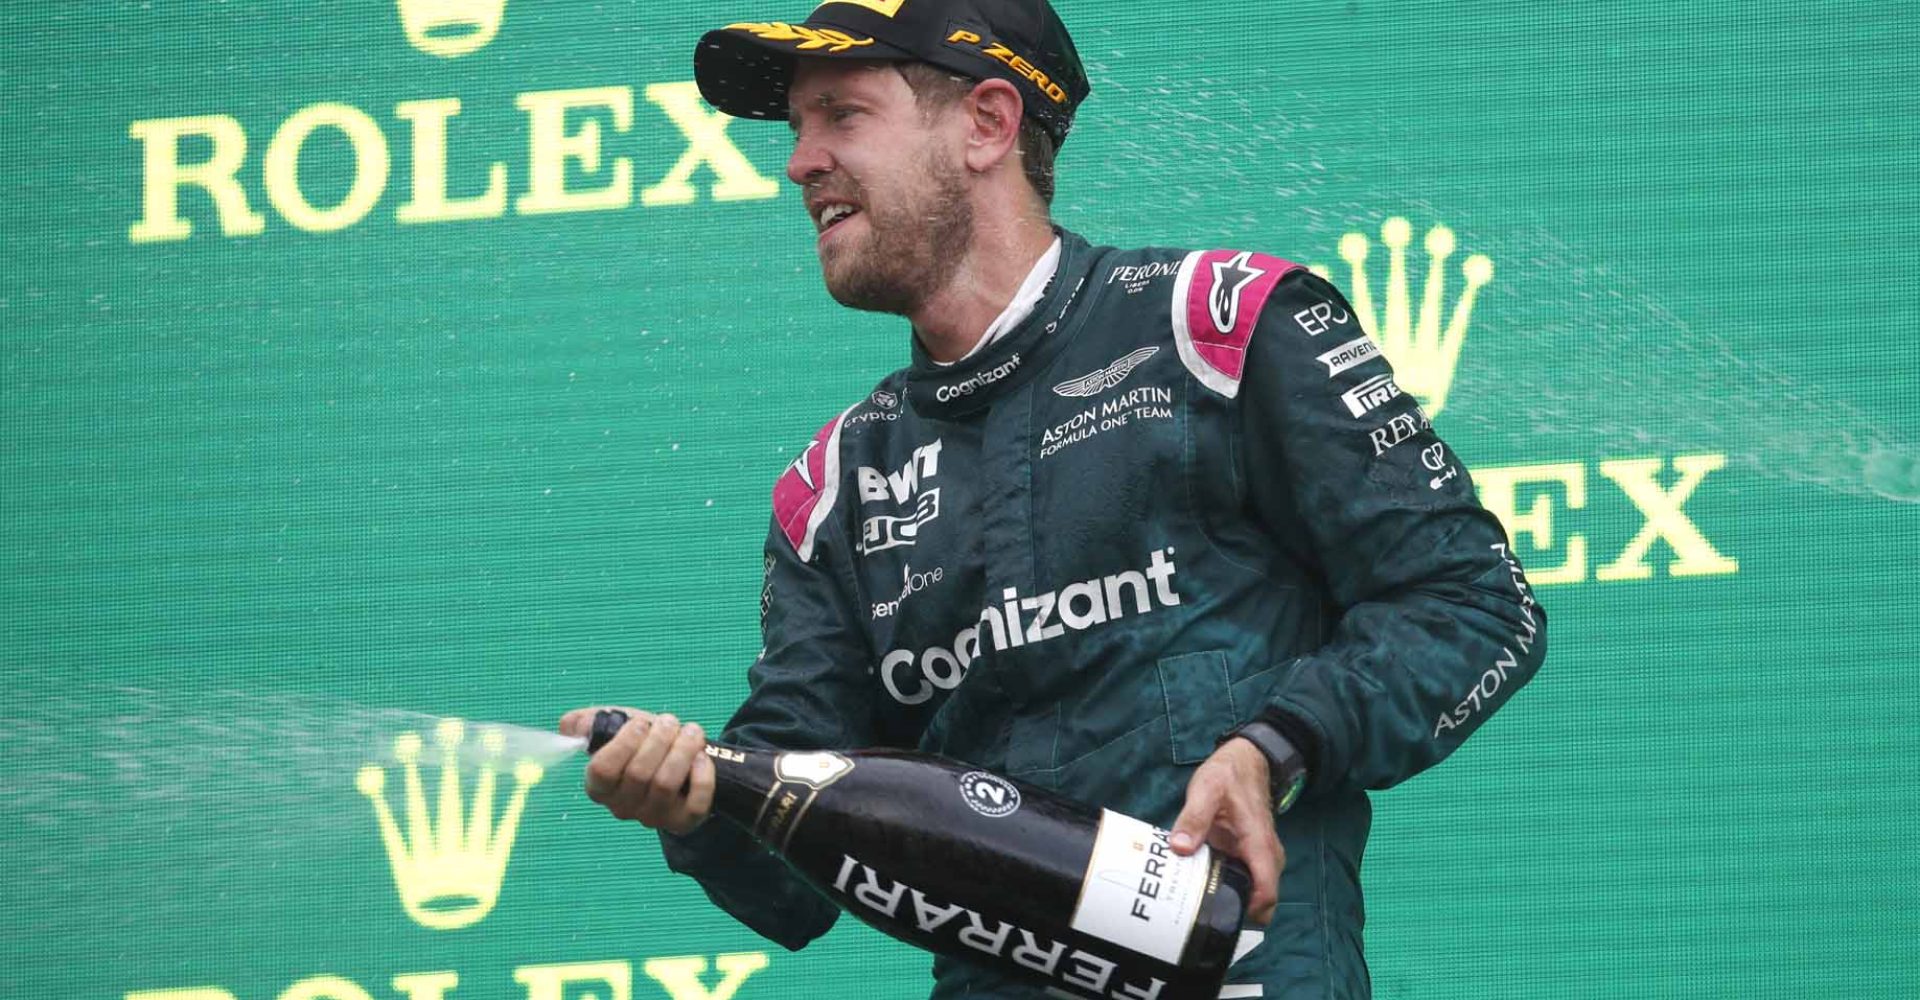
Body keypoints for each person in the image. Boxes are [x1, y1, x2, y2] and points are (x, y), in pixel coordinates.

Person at [558, 1, 1546, 996]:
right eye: (796, 129)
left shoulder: (1218, 327)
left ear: (987, 124)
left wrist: (1274, 748)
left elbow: (1474, 602)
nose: (800, 162)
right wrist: (692, 805)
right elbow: (794, 884)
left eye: (842, 115)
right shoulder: (836, 485)